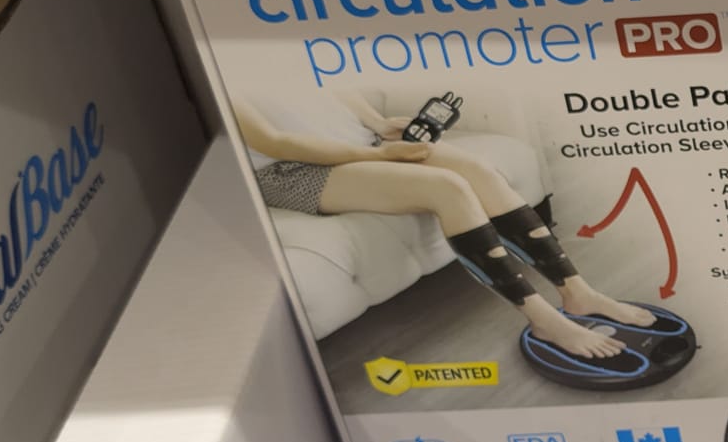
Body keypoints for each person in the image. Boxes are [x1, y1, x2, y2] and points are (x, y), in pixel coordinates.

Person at [236, 94, 654, 361]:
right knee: (448, 188)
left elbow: (329, 88)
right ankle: (542, 318)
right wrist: (381, 157)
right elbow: (274, 141)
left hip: (363, 142)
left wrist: (378, 125)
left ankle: (578, 293)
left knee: (479, 171)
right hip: (292, 169)